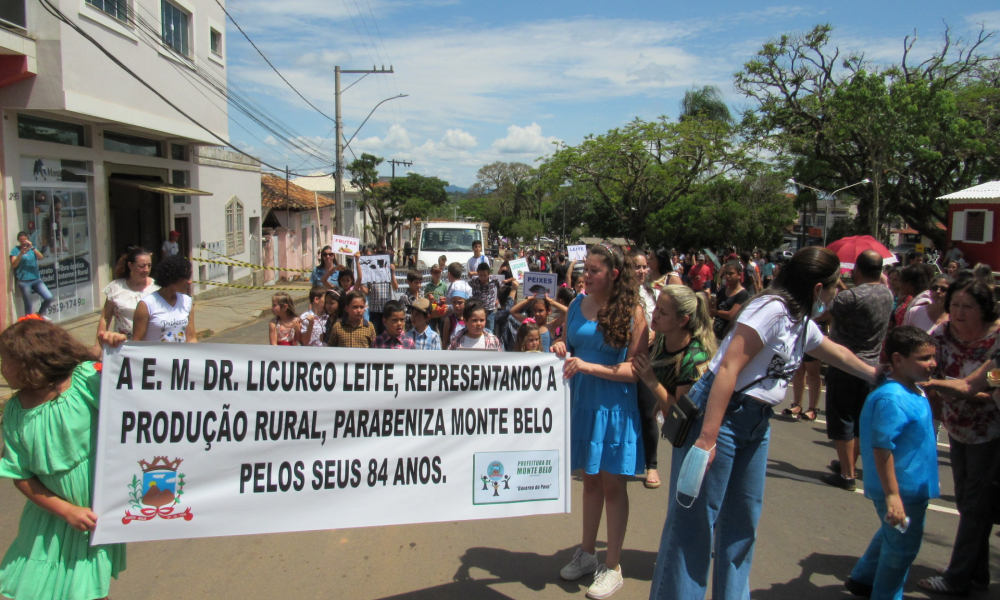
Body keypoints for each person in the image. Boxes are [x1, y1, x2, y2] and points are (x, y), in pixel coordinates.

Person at [648, 247, 879, 600]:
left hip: (756, 423)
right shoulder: (771, 309)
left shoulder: (799, 321)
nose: (837, 293)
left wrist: (879, 375)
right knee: (693, 527)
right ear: (818, 288)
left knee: (741, 526)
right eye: (834, 286)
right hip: (720, 417)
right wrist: (707, 439)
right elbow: (728, 367)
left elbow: (835, 352)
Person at [0, 318, 128, 600]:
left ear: (31, 361)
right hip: (50, 521)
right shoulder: (15, 412)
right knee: (30, 588)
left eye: (6, 360)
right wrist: (66, 510)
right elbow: (19, 475)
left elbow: (129, 397)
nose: (1, 367)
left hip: (92, 518)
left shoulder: (84, 380)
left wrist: (113, 353)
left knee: (87, 590)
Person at [553, 243, 648, 599]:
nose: (586, 276)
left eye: (594, 270)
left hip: (614, 409)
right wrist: (560, 348)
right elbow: (568, 344)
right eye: (585, 269)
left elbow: (634, 370)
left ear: (614, 274)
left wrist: (587, 366)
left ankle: (614, 565)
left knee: (612, 487)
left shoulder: (634, 312)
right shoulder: (576, 303)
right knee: (589, 484)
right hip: (581, 404)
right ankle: (587, 553)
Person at [918, 278, 1000, 596]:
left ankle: (958, 576)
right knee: (968, 500)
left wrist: (942, 387)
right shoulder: (942, 333)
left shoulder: (997, 345)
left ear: (985, 309)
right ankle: (975, 570)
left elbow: (977, 386)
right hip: (958, 429)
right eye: (954, 305)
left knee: (976, 502)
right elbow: (917, 352)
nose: (959, 313)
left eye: (968, 307)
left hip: (991, 433)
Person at [845, 326, 940, 600]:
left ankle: (863, 578)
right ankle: (886, 595)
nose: (932, 364)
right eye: (924, 358)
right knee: (902, 549)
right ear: (898, 359)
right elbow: (882, 447)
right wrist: (893, 495)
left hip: (913, 487)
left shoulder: (913, 389)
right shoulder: (892, 398)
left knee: (893, 535)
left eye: (933, 357)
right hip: (903, 491)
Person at [820, 250, 895, 490]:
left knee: (841, 418)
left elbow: (825, 312)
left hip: (845, 363)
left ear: (857, 270)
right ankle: (849, 464)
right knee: (860, 419)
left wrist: (836, 286)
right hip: (872, 364)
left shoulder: (848, 298)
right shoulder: (887, 294)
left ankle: (847, 474)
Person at [96, 246, 158, 341]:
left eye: (149, 265)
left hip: (149, 345)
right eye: (142, 266)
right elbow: (105, 318)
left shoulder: (157, 288)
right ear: (130, 266)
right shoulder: (115, 287)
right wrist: (98, 345)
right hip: (121, 344)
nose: (146, 269)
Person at [132, 255, 197, 343]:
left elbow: (191, 337)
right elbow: (137, 341)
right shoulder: (146, 305)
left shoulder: (187, 302)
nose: (189, 282)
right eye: (186, 277)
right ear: (173, 278)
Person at [10, 231, 53, 317]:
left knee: (49, 297)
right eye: (21, 240)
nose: (23, 242)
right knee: (28, 304)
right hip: (24, 281)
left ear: (28, 240)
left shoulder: (33, 248)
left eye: (25, 240)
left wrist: (32, 247)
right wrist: (21, 253)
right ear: (18, 241)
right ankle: (29, 323)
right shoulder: (15, 250)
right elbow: (14, 264)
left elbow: (41, 257)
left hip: (36, 279)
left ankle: (39, 315)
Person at [710, 261, 749, 342]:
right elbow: (713, 307)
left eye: (731, 273)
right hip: (716, 334)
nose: (727, 276)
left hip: (730, 337)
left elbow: (731, 315)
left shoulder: (742, 294)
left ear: (739, 275)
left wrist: (716, 312)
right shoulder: (722, 291)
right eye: (726, 273)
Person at [366, 261, 398, 336]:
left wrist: (392, 273)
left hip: (386, 310)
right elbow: (366, 291)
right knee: (375, 334)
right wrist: (361, 282)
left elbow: (395, 287)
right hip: (374, 310)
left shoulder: (388, 274)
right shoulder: (371, 274)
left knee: (386, 334)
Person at [469, 262, 502, 332]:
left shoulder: (494, 280)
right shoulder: (474, 281)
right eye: (480, 275)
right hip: (478, 310)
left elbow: (501, 289)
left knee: (490, 331)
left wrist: (498, 299)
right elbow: (467, 288)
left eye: (485, 275)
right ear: (477, 273)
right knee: (477, 330)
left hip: (489, 310)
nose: (482, 277)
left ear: (489, 274)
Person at [423, 264, 449, 333]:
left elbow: (447, 299)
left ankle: (443, 342)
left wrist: (444, 300)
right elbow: (425, 301)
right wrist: (429, 299)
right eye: (435, 272)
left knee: (442, 330)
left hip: (441, 310)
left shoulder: (444, 285)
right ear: (431, 273)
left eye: (439, 272)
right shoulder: (428, 286)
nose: (437, 274)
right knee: (431, 330)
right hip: (432, 311)